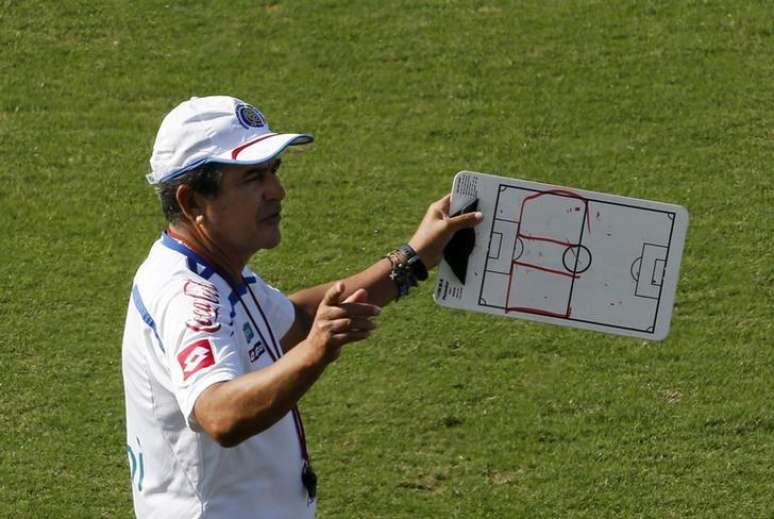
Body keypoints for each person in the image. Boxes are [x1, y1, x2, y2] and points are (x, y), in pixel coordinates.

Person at [121, 95, 482, 519]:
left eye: (273, 171)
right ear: (193, 203)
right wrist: (316, 351)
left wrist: (415, 257)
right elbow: (219, 414)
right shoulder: (187, 296)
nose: (277, 191)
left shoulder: (219, 273)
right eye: (253, 178)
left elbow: (302, 319)